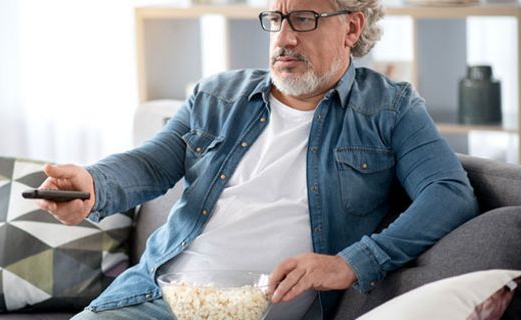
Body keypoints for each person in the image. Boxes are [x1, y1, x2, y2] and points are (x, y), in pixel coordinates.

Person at [36, 0, 479, 319]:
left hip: (262, 311)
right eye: (276, 18)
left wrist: (351, 263)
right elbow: (153, 164)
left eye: (304, 19)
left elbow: (449, 193)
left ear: (351, 27)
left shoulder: (390, 108)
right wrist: (93, 185)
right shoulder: (215, 96)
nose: (283, 38)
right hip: (156, 299)